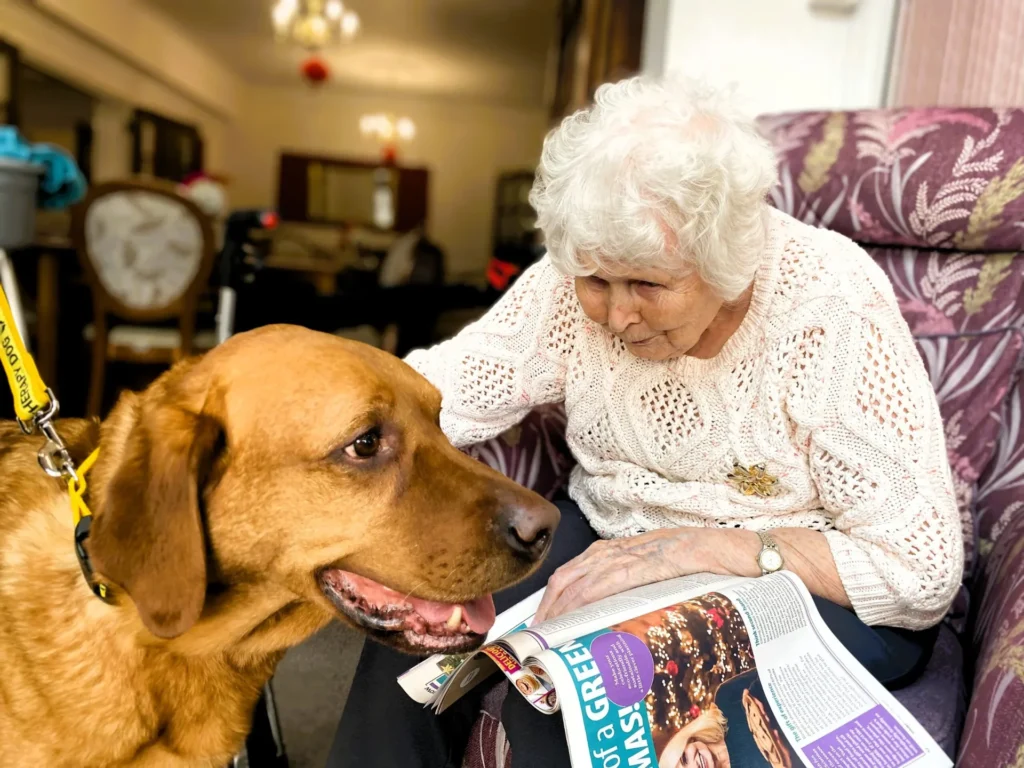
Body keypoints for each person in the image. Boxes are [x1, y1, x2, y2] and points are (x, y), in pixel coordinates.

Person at [327, 75, 962, 768]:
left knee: (576, 708)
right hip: (609, 530)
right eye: (595, 282)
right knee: (423, 619)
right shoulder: (581, 274)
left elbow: (918, 571)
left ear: (726, 264)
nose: (616, 315)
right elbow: (435, 391)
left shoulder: (831, 304)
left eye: (649, 287)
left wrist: (694, 549)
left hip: (797, 577)